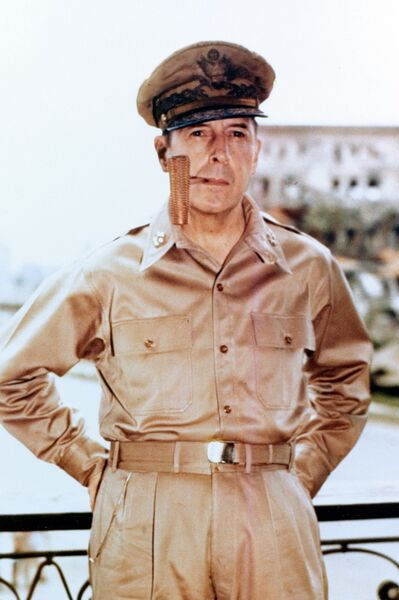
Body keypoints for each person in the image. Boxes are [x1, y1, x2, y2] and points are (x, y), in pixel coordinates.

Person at [0, 41, 372, 599]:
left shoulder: (308, 267)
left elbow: (346, 382)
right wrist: (90, 466)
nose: (218, 153)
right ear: (163, 152)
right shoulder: (109, 273)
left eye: (236, 133)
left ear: (256, 151)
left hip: (272, 521)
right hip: (148, 524)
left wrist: (300, 474)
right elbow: (12, 378)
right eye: (198, 134)